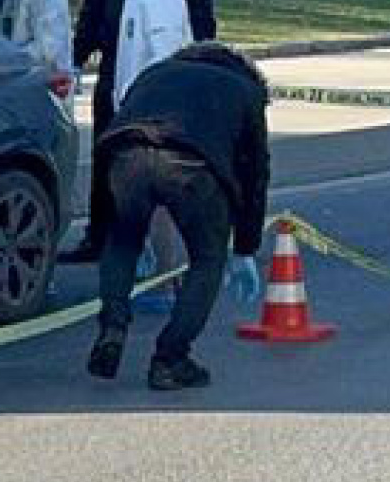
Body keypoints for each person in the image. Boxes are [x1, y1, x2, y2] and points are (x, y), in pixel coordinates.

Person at [86, 41, 269, 391]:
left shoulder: (155, 73)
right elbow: (255, 175)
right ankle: (171, 358)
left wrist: (105, 221)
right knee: (207, 260)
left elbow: (114, 133)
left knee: (123, 244)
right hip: (191, 166)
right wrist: (245, 247)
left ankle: (112, 326)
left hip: (127, 156)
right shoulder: (245, 91)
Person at [63, 0, 217, 262]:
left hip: (153, 103)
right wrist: (74, 60)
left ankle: (164, 266)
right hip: (117, 80)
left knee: (154, 184)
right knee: (111, 163)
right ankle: (106, 238)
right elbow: (91, 19)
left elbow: (183, 41)